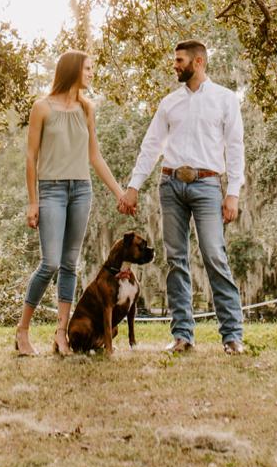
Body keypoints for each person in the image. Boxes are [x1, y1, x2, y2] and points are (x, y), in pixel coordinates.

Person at [118, 39, 247, 355]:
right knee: (176, 260)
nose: (174, 66)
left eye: (179, 60)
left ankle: (232, 336)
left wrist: (232, 193)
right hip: (170, 185)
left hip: (206, 185)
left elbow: (235, 147)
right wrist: (134, 186)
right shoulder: (169, 103)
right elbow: (150, 147)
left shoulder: (224, 99)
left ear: (198, 61)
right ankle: (182, 336)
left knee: (214, 255)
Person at [15, 49, 128, 357]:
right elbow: (30, 157)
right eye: (88, 68)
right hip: (50, 190)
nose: (91, 74)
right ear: (73, 70)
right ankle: (22, 330)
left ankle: (61, 334)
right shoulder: (42, 107)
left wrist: (119, 192)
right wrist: (32, 202)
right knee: (50, 262)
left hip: (81, 190)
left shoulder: (86, 109)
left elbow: (94, 156)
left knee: (70, 264)